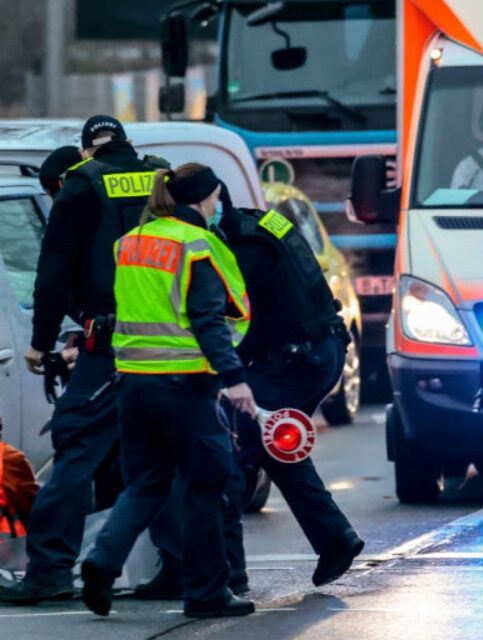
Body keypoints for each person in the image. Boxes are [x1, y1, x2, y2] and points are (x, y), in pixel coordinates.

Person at [137, 192, 365, 599]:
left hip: (296, 359)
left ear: (207, 202)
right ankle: (335, 539)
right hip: (320, 349)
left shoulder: (234, 245)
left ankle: (223, 574)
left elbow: (239, 321)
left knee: (228, 452)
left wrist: (220, 374)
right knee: (272, 442)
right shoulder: (259, 223)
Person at [1, 117, 168, 605]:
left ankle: (50, 569)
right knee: (171, 452)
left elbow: (52, 274)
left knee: (75, 447)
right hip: (175, 342)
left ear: (86, 149)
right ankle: (191, 568)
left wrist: (41, 342)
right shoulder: (162, 176)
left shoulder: (80, 186)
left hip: (110, 338)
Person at [78, 163, 256, 619]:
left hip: (134, 383)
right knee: (207, 485)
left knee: (147, 483)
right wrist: (235, 379)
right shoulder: (196, 245)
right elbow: (208, 319)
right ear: (202, 198)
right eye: (216, 197)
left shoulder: (131, 242)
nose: (218, 206)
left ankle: (102, 560)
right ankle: (207, 593)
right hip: (186, 385)